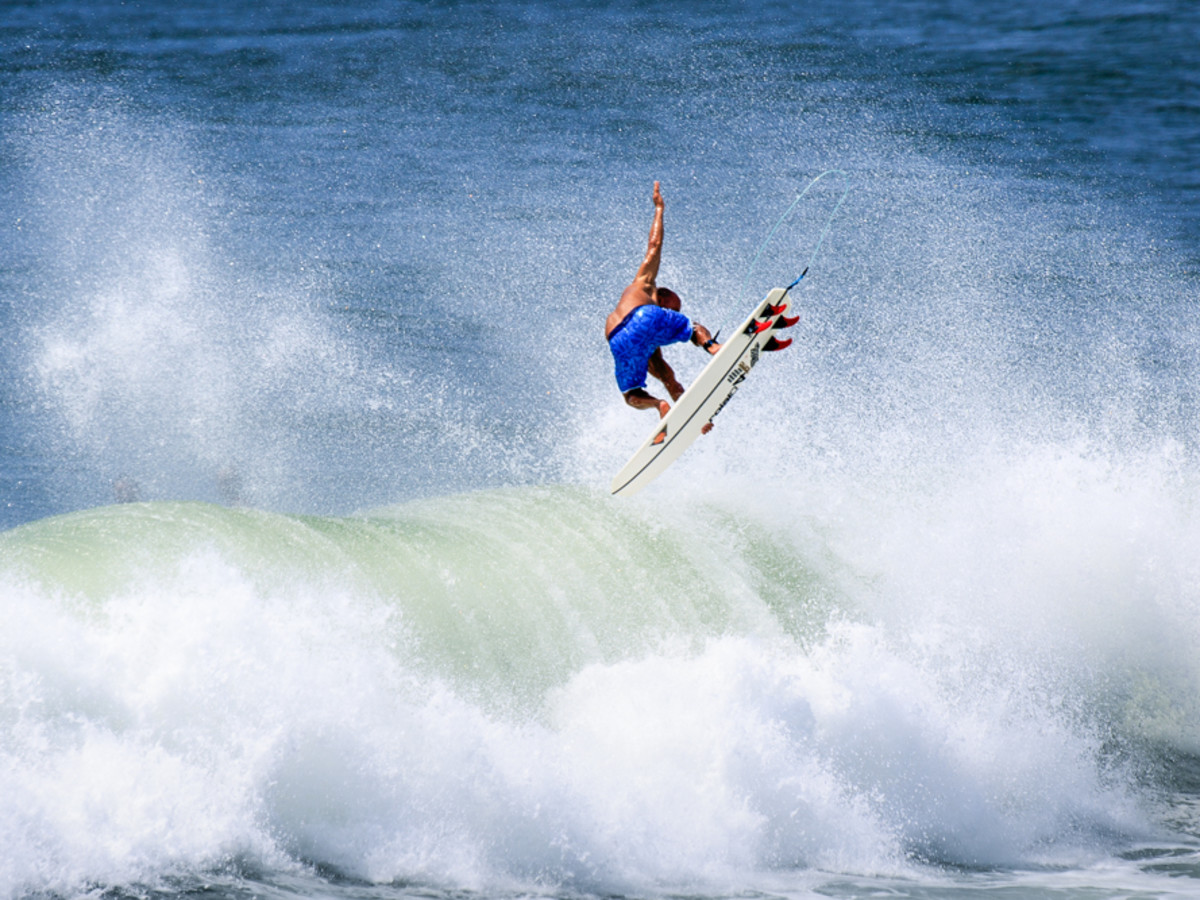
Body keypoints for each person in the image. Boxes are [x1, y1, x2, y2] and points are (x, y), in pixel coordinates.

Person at [605, 182, 720, 431]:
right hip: (643, 317)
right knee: (693, 328)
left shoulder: (649, 347)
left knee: (631, 394)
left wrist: (696, 418)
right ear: (664, 300)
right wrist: (659, 209)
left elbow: (671, 381)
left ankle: (658, 406)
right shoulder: (646, 284)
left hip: (617, 340)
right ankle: (714, 348)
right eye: (673, 310)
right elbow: (654, 244)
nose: (673, 315)